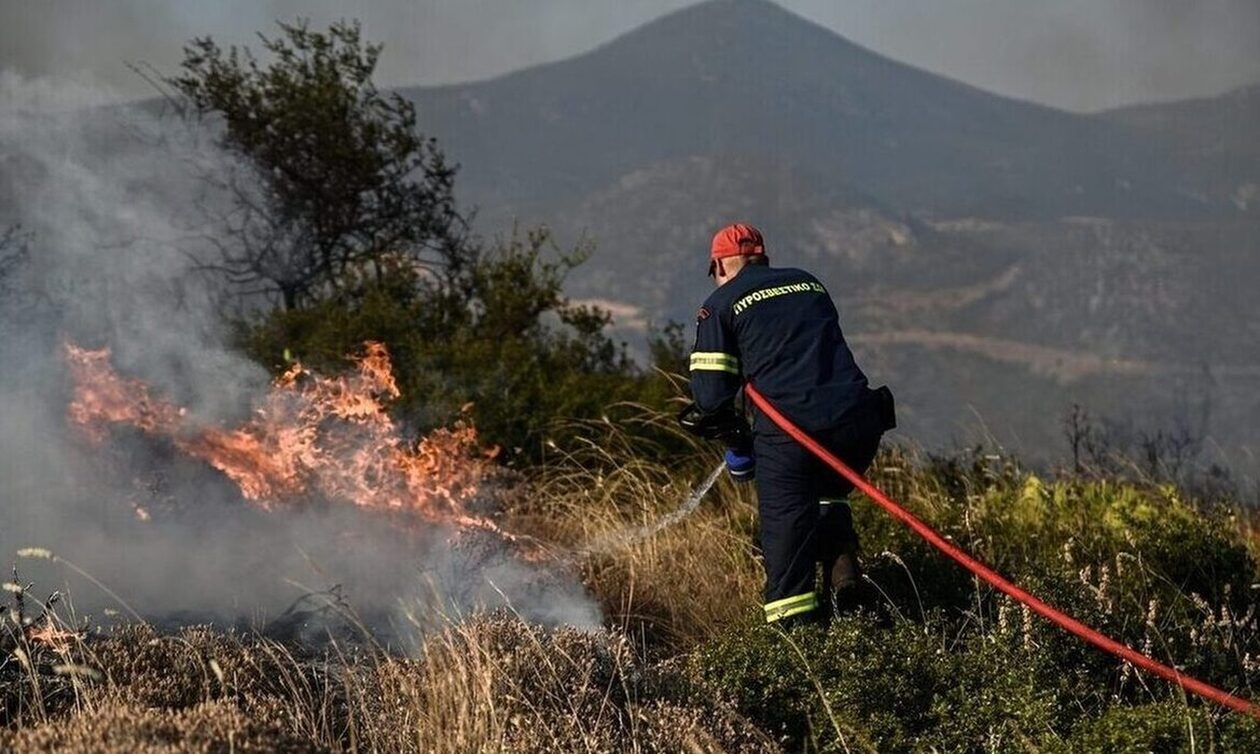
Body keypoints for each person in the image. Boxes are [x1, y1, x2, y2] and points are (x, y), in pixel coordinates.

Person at [681, 222, 894, 627]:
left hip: (795, 436)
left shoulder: (720, 304)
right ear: (762, 258)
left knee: (787, 546)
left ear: (720, 265)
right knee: (828, 494)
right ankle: (847, 587)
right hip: (859, 424)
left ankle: (800, 655)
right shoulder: (808, 284)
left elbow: (709, 399)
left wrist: (739, 443)